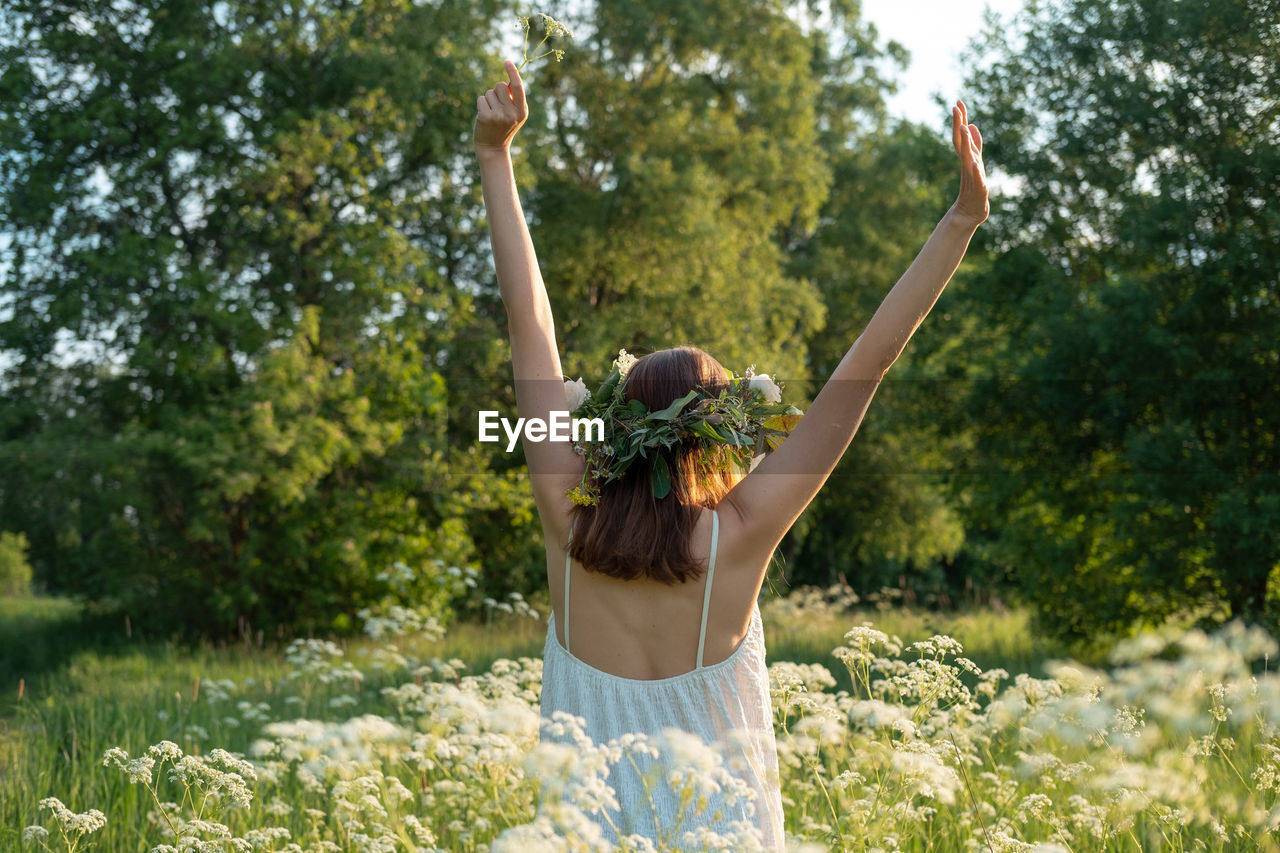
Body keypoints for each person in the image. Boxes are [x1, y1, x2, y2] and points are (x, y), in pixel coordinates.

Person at [474, 60, 989, 849]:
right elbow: (864, 369)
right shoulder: (741, 533)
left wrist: (495, 155)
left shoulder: (565, 515)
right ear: (714, 441)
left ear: (619, 430)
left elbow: (530, 330)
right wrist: (959, 220)